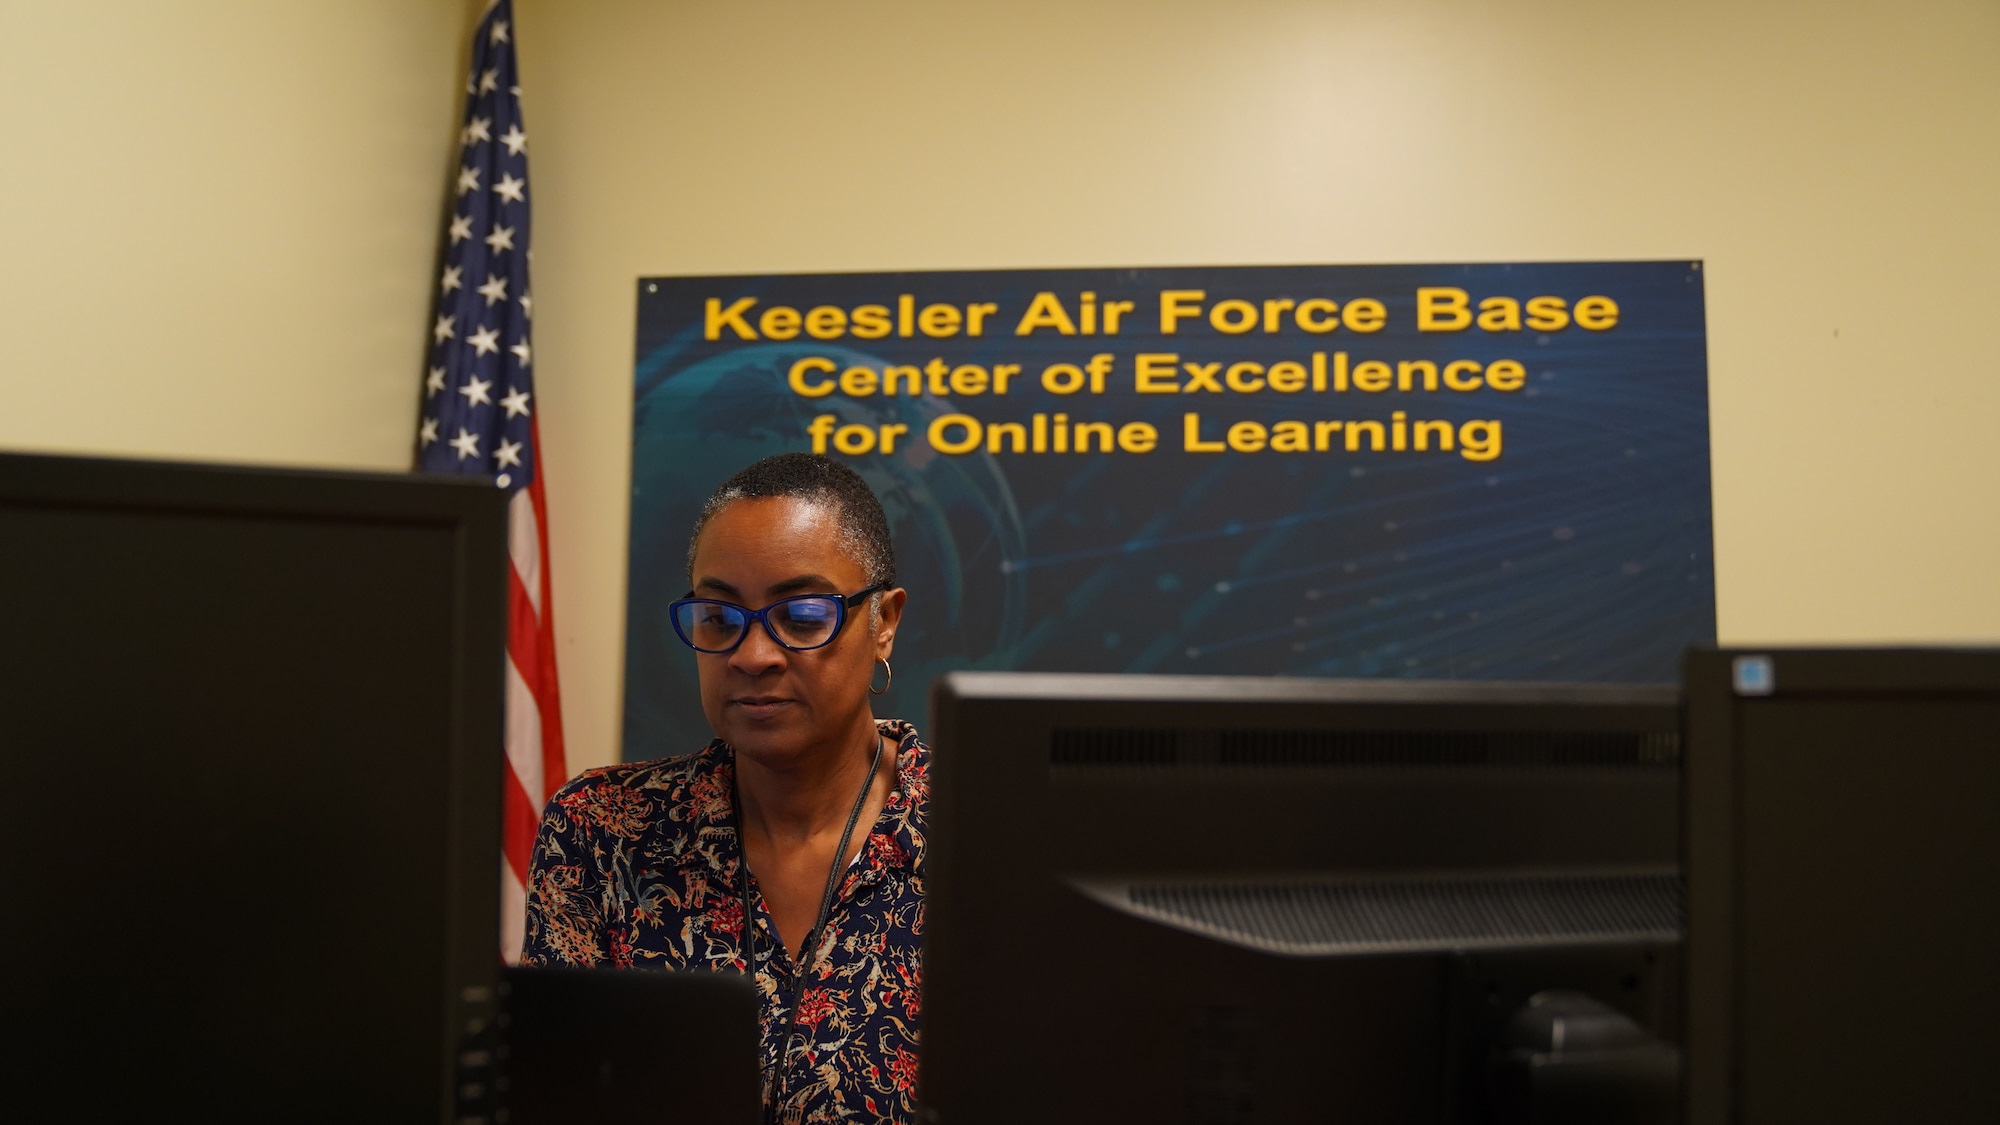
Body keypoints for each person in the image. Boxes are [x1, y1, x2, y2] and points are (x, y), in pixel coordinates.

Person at [522, 452, 928, 1124]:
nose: (752, 654)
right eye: (718, 616)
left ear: (884, 620)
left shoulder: (985, 833)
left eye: (800, 615)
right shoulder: (602, 832)